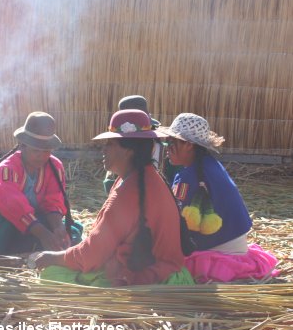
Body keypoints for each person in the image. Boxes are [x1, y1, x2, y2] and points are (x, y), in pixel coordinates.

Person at [34, 109, 194, 287]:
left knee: (52, 274)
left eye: (110, 143)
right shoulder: (145, 177)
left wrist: (54, 257)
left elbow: (91, 256)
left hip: (148, 279)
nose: (103, 149)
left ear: (129, 151)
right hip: (168, 271)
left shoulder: (128, 193)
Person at [162, 113, 278, 282]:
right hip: (237, 247)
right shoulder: (211, 165)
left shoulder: (189, 176)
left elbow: (176, 222)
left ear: (188, 145)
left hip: (218, 256)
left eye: (171, 142)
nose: (167, 148)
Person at [0, 112, 77, 254]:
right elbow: (12, 205)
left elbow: (53, 200)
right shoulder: (7, 169)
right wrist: (43, 234)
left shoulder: (55, 167)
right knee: (3, 222)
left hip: (34, 223)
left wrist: (57, 228)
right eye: (36, 150)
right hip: (2, 224)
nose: (42, 156)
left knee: (69, 234)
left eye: (47, 151)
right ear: (22, 146)